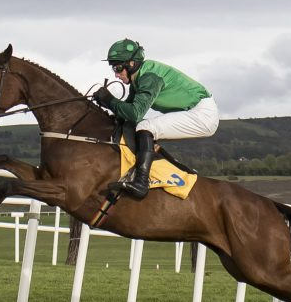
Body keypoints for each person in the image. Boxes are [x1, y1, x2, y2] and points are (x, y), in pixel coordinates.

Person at [91, 39, 219, 199]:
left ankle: (141, 183)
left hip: (203, 115)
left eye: (118, 68)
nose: (116, 74)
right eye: (113, 69)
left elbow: (134, 113)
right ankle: (179, 170)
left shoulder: (149, 77)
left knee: (146, 127)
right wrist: (105, 103)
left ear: (131, 64)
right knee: (141, 128)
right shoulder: (138, 78)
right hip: (197, 111)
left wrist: (110, 100)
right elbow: (125, 115)